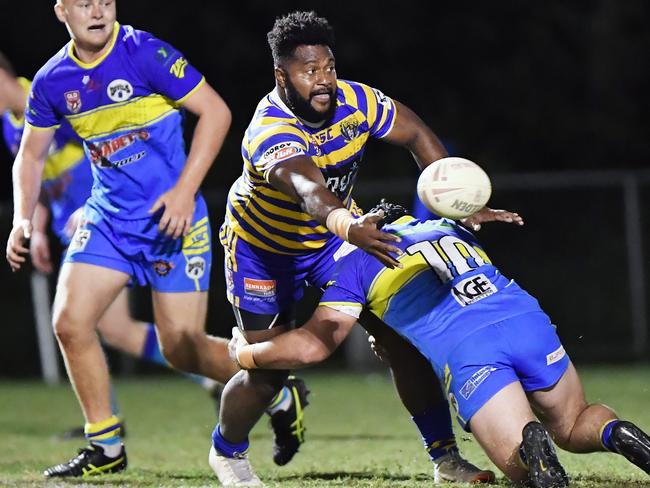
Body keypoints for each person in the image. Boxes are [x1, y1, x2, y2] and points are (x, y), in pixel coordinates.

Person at [210, 10, 522, 487]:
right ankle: (227, 453)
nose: (323, 80)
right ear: (281, 76)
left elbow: (415, 132)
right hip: (264, 252)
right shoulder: (269, 130)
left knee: (400, 339)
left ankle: (445, 459)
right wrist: (348, 224)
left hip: (338, 240)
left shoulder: (356, 101)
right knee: (268, 372)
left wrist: (459, 200)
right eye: (308, 71)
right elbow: (309, 190)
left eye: (329, 67)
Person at [5, 1, 303, 478]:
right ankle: (105, 446)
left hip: (173, 223)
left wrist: (184, 192)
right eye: (84, 4)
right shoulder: (51, 79)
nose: (97, 11)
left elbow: (216, 114)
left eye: (104, 0)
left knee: (180, 347)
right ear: (62, 10)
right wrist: (23, 219)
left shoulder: (143, 52)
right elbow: (31, 155)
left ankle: (275, 387)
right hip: (109, 221)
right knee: (70, 323)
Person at [228, 200, 650, 488]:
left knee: (523, 470)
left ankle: (528, 446)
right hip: (525, 318)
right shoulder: (440, 224)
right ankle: (616, 432)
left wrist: (246, 353)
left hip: (472, 350)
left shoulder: (352, 264)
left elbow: (311, 348)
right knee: (575, 424)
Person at [0, 49, 224, 439]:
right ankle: (106, 429)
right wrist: (33, 225)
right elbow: (34, 169)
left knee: (115, 329)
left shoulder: (48, 91)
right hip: (86, 226)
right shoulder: (8, 122)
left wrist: (90, 206)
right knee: (94, 326)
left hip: (109, 219)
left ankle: (242, 378)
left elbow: (107, 149)